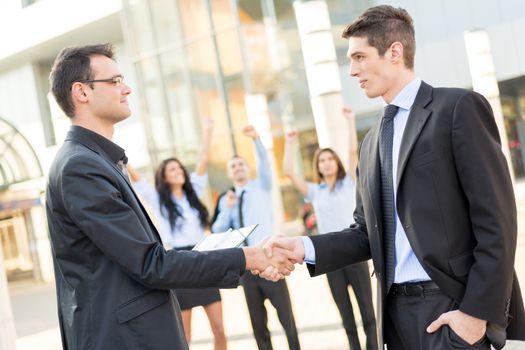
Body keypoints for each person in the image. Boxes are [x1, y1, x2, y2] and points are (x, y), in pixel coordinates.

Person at [262, 5, 525, 350]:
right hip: (395, 320)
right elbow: (364, 233)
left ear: (394, 52)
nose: (353, 70)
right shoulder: (371, 142)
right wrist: (303, 247)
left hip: (451, 310)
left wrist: (475, 315)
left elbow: (498, 223)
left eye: (359, 57)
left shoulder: (457, 109)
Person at [45, 44, 294, 350]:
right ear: (82, 93)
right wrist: (248, 256)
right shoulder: (80, 166)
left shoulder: (94, 160)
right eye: (115, 81)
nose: (127, 89)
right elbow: (150, 263)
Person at [127, 119, 228, 350]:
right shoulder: (159, 200)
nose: (179, 170)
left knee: (219, 327)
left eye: (179, 167)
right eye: (172, 169)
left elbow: (202, 161)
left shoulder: (194, 193)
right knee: (185, 334)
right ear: (164, 176)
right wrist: (122, 157)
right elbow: (136, 178)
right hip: (180, 263)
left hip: (203, 258)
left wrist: (208, 132)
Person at [283, 125, 378, 350]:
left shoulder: (349, 184)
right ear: (317, 166)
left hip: (354, 255)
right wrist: (288, 142)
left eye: (330, 158)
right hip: (330, 258)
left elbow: (353, 153)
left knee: (368, 313)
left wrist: (348, 120)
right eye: (322, 160)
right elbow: (289, 172)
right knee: (346, 315)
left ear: (337, 162)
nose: (326, 163)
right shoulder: (315, 191)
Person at [211, 126, 301, 350]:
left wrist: (256, 140)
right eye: (233, 166)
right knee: (258, 323)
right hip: (247, 267)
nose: (238, 168)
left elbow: (265, 164)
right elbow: (217, 230)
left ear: (248, 169)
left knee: (286, 318)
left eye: (241, 164)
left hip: (270, 259)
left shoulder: (261, 186)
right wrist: (227, 210)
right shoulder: (227, 199)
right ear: (229, 173)